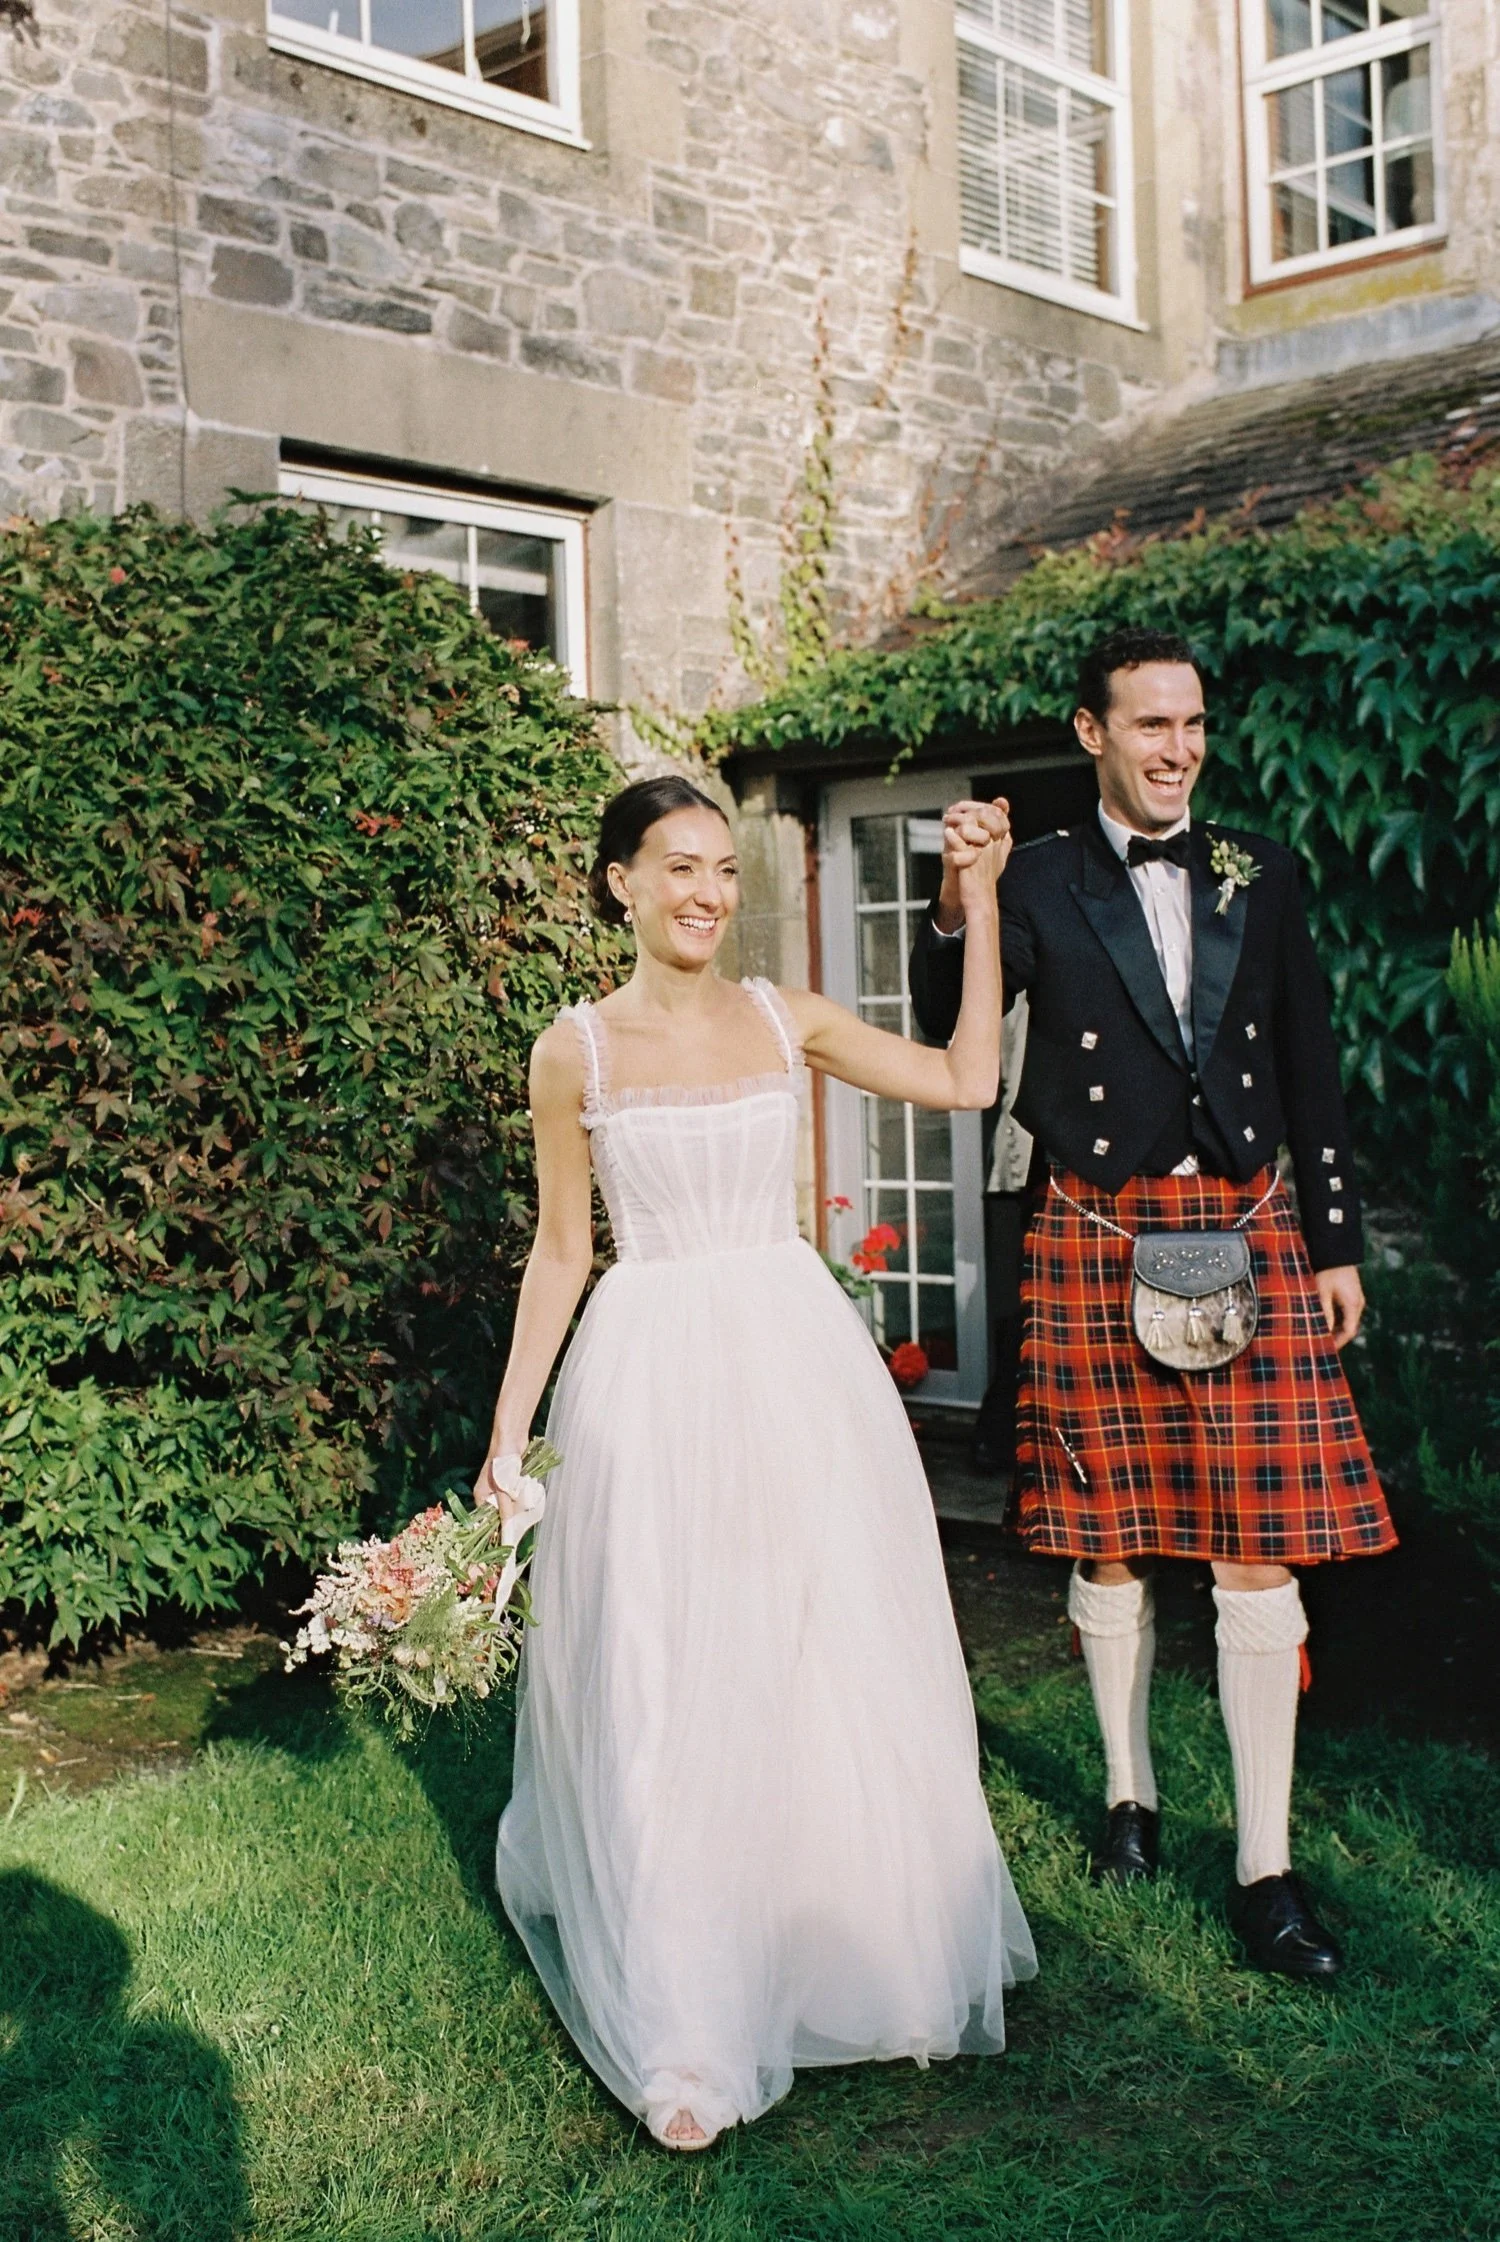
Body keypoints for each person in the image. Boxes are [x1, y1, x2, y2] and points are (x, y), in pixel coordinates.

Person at [484, 774, 1036, 2151]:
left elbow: (969, 1081)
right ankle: (687, 2023)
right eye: (678, 868)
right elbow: (563, 1251)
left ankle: (863, 1953)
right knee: (662, 1668)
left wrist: (985, 905)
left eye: (724, 869)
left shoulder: (789, 1018)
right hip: (650, 1371)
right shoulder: (577, 1052)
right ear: (619, 881)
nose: (708, 895)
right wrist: (508, 1430)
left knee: (817, 1648)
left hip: (794, 1362)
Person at [908, 627, 1396, 1981]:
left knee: (1260, 1547)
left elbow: (1311, 1055)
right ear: (1091, 732)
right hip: (1092, 1225)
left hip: (1246, 1223)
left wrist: (1339, 1237)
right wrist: (959, 898)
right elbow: (953, 1010)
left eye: (1191, 724)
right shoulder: (1042, 875)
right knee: (1109, 1538)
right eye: (1148, 726)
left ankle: (1266, 1866)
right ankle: (1129, 1796)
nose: (1176, 748)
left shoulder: (1261, 869)